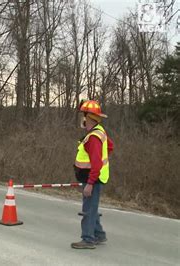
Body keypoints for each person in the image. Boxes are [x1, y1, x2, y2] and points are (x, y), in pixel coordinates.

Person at [71, 100, 114, 249]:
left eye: (83, 115)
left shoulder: (93, 138)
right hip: (94, 177)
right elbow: (110, 146)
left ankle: (88, 239)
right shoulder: (98, 132)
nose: (81, 119)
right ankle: (99, 234)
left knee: (88, 209)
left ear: (88, 118)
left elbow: (96, 163)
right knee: (92, 207)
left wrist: (90, 183)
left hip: (93, 179)